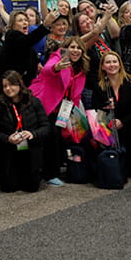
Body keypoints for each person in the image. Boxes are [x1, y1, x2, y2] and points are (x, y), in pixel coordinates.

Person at [29, 36, 88, 187]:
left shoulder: (81, 67)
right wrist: (57, 67)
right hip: (45, 103)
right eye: (72, 47)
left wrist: (72, 114)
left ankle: (53, 170)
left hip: (63, 109)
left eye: (78, 48)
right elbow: (47, 70)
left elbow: (76, 92)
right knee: (51, 136)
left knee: (59, 138)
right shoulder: (58, 58)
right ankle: (50, 174)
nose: (75, 50)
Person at [0, 70, 50, 193]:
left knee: (31, 188)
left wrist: (33, 134)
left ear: (19, 84)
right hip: (8, 151)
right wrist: (7, 139)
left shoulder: (34, 102)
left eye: (11, 85)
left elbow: (46, 126)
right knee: (9, 188)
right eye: (5, 86)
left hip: (30, 150)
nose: (8, 89)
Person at [91, 50, 131, 179]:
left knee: (127, 170)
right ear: (103, 66)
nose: (112, 65)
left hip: (129, 126)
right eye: (108, 62)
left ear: (120, 64)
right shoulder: (99, 86)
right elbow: (95, 108)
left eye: (114, 61)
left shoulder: (130, 83)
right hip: (108, 128)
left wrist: (123, 121)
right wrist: (106, 107)